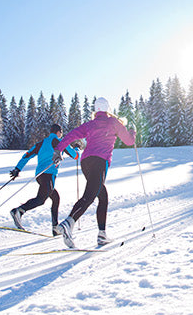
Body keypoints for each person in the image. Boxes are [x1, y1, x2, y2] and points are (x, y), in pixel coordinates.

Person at [53, 97, 135, 248]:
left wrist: (59, 149)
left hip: (86, 163)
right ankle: (68, 223)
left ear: (95, 110)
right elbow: (129, 141)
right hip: (100, 161)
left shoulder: (90, 124)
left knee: (102, 196)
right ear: (108, 108)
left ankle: (102, 235)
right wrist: (132, 132)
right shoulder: (113, 122)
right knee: (89, 195)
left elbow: (72, 134)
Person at [9, 124, 81, 236]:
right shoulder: (59, 141)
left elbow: (27, 155)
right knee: (41, 199)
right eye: (61, 133)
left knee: (55, 198)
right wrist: (77, 149)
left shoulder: (41, 143)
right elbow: (75, 156)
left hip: (39, 175)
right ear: (58, 132)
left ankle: (55, 228)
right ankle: (19, 211)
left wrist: (17, 169)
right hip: (49, 174)